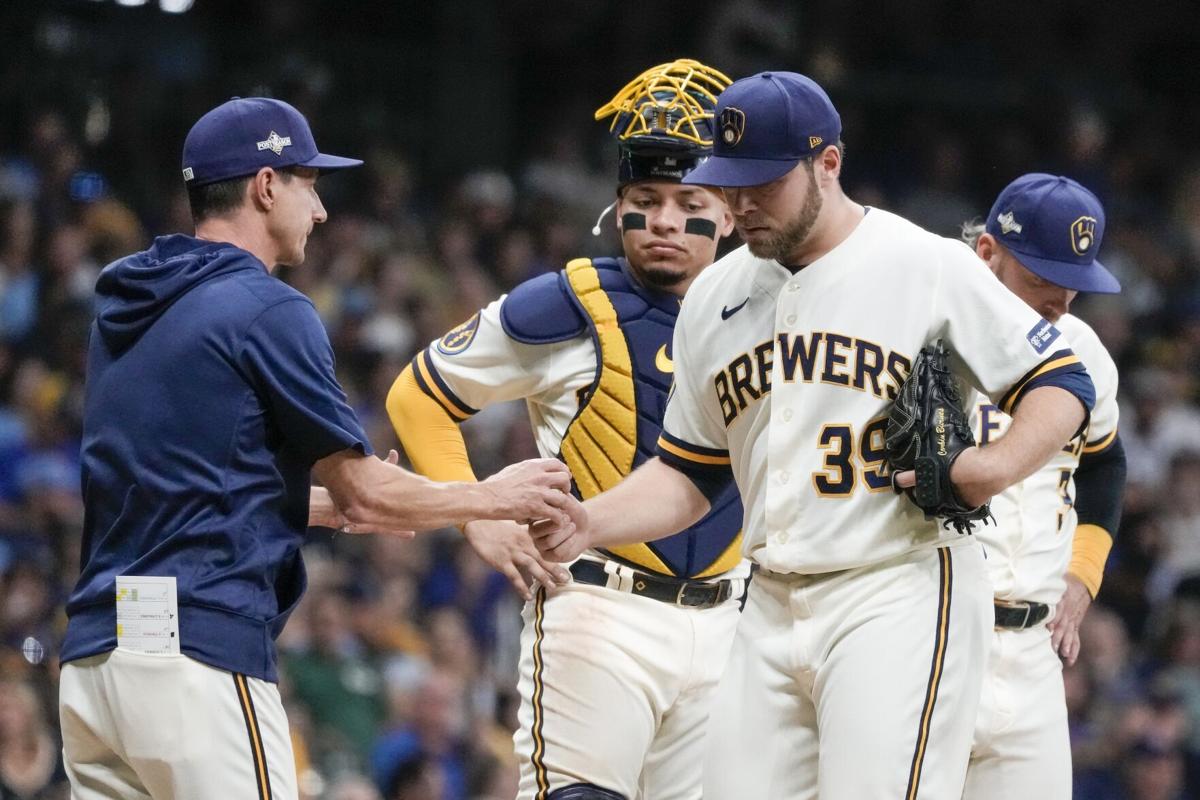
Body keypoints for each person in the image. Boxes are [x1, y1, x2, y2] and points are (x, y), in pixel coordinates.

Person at [532, 71, 1098, 799]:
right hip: (767, 604)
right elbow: (689, 474)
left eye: (762, 183)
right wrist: (587, 522)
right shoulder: (717, 295)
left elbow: (1063, 383)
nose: (741, 203)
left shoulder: (922, 263)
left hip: (894, 590)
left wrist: (989, 468)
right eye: (729, 183)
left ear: (826, 164)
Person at [56, 97, 582, 800]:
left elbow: (172, 484)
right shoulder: (269, 308)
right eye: (310, 183)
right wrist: (492, 497)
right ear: (266, 185)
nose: (322, 210)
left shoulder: (128, 308)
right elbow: (366, 485)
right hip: (196, 656)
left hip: (97, 659)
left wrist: (310, 507)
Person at [386, 60, 745, 800]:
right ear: (618, 205)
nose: (668, 220)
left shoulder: (770, 307)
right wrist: (471, 514)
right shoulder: (571, 302)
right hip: (598, 603)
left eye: (690, 200)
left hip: (729, 623)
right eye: (647, 199)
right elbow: (419, 396)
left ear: (732, 211)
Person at [960, 174, 1126, 799]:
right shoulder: (930, 336)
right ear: (987, 254)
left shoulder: (1083, 350)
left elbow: (1107, 465)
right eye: (1040, 279)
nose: (1058, 301)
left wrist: (1083, 576)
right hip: (939, 633)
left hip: (1032, 656)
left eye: (1072, 285)